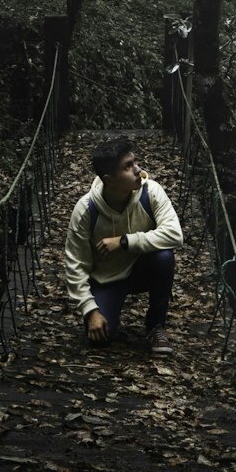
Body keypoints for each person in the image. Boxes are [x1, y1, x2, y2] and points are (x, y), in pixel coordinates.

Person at [64, 136, 183, 355]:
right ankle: (104, 309)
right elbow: (75, 265)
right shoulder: (85, 210)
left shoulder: (151, 192)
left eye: (134, 162)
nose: (138, 169)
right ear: (109, 179)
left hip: (142, 269)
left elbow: (175, 234)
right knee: (101, 338)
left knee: (164, 257)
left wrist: (124, 241)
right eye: (128, 166)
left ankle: (156, 325)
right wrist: (90, 311)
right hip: (106, 279)